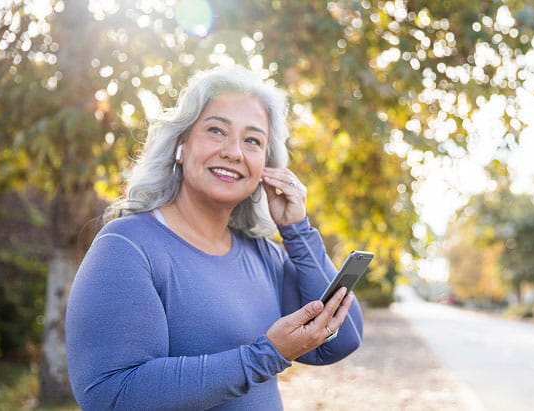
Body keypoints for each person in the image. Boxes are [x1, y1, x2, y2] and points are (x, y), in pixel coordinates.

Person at [65, 65, 364, 410]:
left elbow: (338, 342)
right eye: (216, 131)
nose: (234, 152)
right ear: (181, 144)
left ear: (266, 165)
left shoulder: (263, 255)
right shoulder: (127, 245)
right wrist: (265, 356)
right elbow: (113, 394)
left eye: (252, 140)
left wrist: (298, 231)